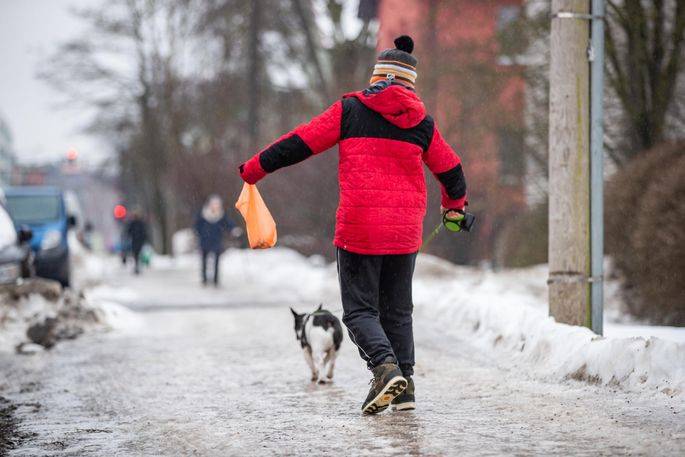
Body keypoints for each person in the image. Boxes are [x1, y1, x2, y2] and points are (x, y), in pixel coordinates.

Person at [237, 35, 467, 414]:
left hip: (360, 227)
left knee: (360, 311)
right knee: (397, 311)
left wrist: (255, 169)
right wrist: (454, 206)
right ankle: (404, 387)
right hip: (405, 231)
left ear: (377, 77)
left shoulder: (351, 111)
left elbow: (300, 142)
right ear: (410, 83)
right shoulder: (422, 124)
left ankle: (385, 368)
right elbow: (452, 171)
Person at [194, 195, 236, 286]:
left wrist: (233, 229)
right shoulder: (203, 214)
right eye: (214, 204)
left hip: (217, 240)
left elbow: (227, 223)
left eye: (217, 204)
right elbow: (197, 225)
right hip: (205, 240)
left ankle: (215, 280)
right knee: (204, 261)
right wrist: (200, 233)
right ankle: (204, 279)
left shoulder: (221, 215)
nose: (216, 206)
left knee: (216, 261)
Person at [125, 209, 148, 275]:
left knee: (136, 254)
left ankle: (137, 266)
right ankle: (137, 266)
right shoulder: (137, 223)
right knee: (137, 254)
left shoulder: (136, 223)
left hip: (136, 241)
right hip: (136, 241)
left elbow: (128, 232)